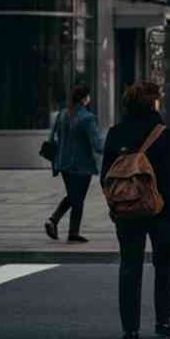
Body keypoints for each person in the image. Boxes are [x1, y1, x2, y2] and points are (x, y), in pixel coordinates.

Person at [101, 81, 170, 339]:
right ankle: (163, 321)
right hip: (162, 208)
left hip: (127, 208)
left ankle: (130, 328)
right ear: (153, 103)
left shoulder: (115, 133)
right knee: (164, 265)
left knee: (129, 266)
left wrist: (119, 202)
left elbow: (105, 177)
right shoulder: (165, 134)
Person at [45, 84, 104, 243]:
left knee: (74, 196)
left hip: (63, 163)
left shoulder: (63, 114)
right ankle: (60, 224)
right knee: (77, 198)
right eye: (88, 96)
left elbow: (52, 139)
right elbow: (98, 145)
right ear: (85, 99)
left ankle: (67, 228)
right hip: (82, 165)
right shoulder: (87, 118)